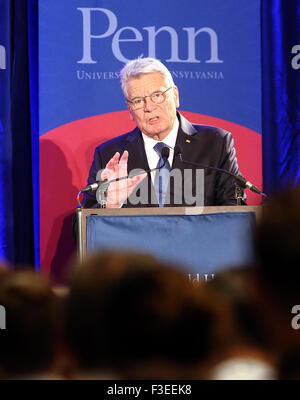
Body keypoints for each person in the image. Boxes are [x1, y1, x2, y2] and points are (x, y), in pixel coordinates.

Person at [83, 57, 246, 209]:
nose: (149, 107)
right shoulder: (111, 155)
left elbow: (236, 214)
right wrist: (109, 205)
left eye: (157, 95)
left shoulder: (215, 143)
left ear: (175, 96)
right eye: (138, 101)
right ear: (130, 110)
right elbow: (81, 231)